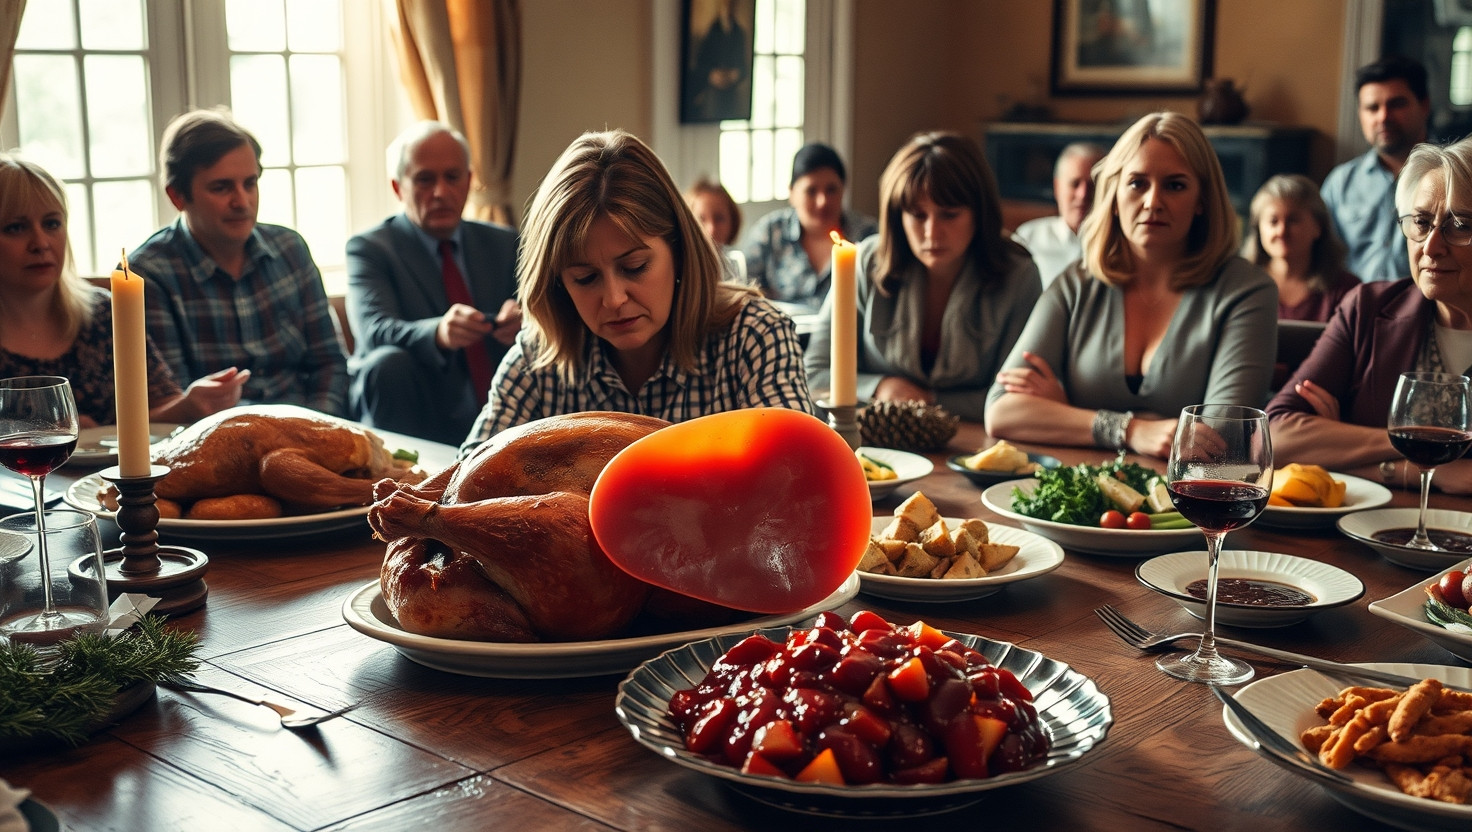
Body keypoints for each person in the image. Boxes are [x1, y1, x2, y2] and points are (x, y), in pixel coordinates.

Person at [461, 129, 814, 450]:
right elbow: (463, 485)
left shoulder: (753, 336)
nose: (614, 299)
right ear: (557, 284)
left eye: (635, 268)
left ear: (679, 249)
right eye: (585, 278)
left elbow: (800, 485)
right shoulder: (539, 358)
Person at [985, 111, 1278, 459]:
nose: (1153, 201)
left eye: (1175, 185)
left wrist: (1067, 414)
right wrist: (1131, 429)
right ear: (1113, 193)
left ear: (1202, 199)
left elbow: (1220, 439)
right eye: (1138, 183)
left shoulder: (1246, 290)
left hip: (1187, 504)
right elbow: (1002, 412)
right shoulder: (1076, 283)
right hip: (1077, 496)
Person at [1267, 136, 1472, 494]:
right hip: (1368, 531)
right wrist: (1422, 463)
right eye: (1421, 222)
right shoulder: (1367, 307)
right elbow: (1278, 435)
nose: (1431, 246)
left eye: (1461, 225)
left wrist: (1342, 439)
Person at [805, 132, 1041, 422]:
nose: (932, 233)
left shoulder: (1018, 275)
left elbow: (1015, 398)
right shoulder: (864, 263)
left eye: (949, 215)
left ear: (979, 214)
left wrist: (928, 400)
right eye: (918, 215)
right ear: (897, 216)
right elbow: (813, 374)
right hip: (876, 444)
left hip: (977, 447)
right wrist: (879, 386)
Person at [128, 109, 349, 417]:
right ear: (178, 196)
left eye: (250, 183)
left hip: (310, 424)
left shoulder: (290, 248)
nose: (242, 202)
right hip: (221, 441)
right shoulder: (150, 274)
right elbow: (171, 398)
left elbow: (330, 364)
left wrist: (317, 427)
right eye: (221, 187)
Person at [0, 154, 243, 426]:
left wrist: (190, 404)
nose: (40, 242)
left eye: (51, 224)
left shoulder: (103, 313)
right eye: (16, 228)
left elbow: (156, 411)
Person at [346, 121, 521, 445]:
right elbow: (374, 331)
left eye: (452, 177)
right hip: (419, 401)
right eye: (425, 179)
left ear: (468, 182)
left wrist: (525, 318)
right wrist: (438, 333)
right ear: (399, 188)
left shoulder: (504, 243)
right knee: (386, 363)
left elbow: (549, 311)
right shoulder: (370, 248)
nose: (440, 192)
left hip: (502, 401)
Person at [1322, 55, 1432, 284]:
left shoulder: (1456, 177)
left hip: (1432, 312)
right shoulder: (1340, 183)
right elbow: (1321, 261)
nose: (1383, 117)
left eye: (1396, 104)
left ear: (1424, 106)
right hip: (1356, 311)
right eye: (1372, 108)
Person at [741, 142, 877, 310]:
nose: (822, 202)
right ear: (792, 193)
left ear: (844, 190)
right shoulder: (769, 233)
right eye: (811, 191)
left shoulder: (867, 235)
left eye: (831, 190)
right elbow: (743, 292)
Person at [1242, 174, 1360, 321]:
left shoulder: (1347, 290)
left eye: (1293, 220)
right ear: (1258, 229)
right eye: (1273, 221)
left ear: (1318, 227)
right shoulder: (1241, 286)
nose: (1281, 231)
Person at [1012, 141, 1107, 286]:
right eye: (1075, 184)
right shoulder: (1028, 238)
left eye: (1092, 185)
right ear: (1057, 187)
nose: (1082, 194)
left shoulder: (1121, 244)